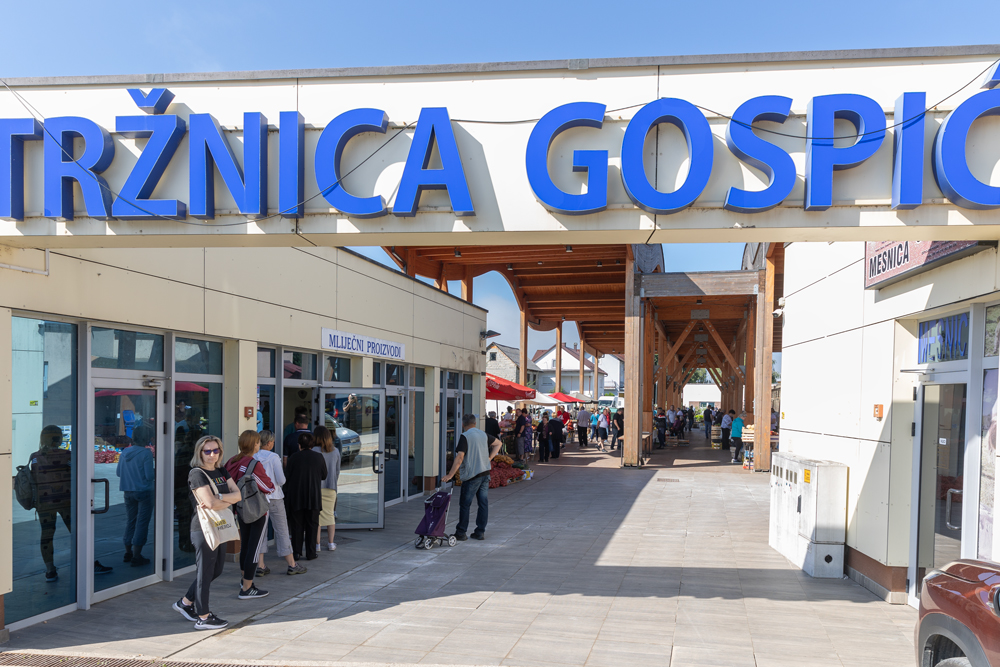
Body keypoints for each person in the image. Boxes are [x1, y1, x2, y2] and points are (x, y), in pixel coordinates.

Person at [173, 435, 242, 630]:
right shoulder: (197, 474)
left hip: (218, 524)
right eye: (208, 451)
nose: (212, 454)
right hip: (203, 529)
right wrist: (225, 499)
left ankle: (185, 603)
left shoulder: (221, 470)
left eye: (216, 450)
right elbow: (210, 503)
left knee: (216, 569)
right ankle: (203, 617)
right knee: (205, 572)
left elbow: (238, 495)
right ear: (200, 452)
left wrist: (219, 497)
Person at [225, 430, 275, 600]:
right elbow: (268, 487)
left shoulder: (232, 461)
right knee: (254, 549)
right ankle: (247, 588)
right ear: (254, 444)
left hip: (239, 508)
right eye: (258, 442)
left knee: (245, 545)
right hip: (256, 510)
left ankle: (244, 580)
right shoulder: (253, 464)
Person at [253, 431, 307, 576]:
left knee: (261, 532)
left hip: (259, 499)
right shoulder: (273, 457)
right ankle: (291, 564)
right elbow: (282, 480)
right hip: (275, 497)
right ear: (269, 443)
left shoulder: (253, 457)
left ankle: (260, 565)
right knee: (282, 530)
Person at [442, 413, 502, 541]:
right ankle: (480, 532)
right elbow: (498, 443)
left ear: (463, 424)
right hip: (485, 473)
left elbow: (460, 457)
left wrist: (450, 474)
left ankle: (461, 532)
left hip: (472, 476)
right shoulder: (483, 434)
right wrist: (489, 458)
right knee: (483, 504)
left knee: (465, 504)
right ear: (475, 423)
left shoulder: (465, 436)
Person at [284, 432, 327, 561]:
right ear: (312, 444)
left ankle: (296, 552)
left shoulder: (293, 457)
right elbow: (324, 475)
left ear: (299, 445)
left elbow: (287, 476)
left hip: (296, 496)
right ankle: (311, 553)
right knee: (312, 525)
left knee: (297, 525)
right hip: (313, 496)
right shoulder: (319, 457)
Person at [116, 436, 154, 567]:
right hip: (144, 491)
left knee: (131, 520)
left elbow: (118, 473)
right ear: (145, 439)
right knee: (142, 523)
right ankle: (137, 555)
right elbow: (149, 476)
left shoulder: (124, 452)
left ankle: (128, 551)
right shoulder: (146, 453)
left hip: (128, 491)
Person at [314, 425, 341, 553]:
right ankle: (331, 543)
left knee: (317, 517)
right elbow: (337, 471)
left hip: (316, 487)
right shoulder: (335, 451)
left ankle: (317, 545)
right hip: (331, 487)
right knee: (330, 516)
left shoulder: (313, 450)